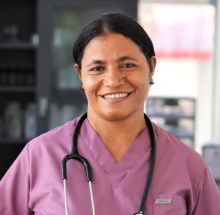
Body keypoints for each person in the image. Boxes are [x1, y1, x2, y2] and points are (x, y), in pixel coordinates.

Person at [0, 13, 220, 215]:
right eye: (97, 68)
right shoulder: (39, 156)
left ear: (151, 67)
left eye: (127, 65)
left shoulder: (188, 166)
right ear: (80, 75)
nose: (113, 81)